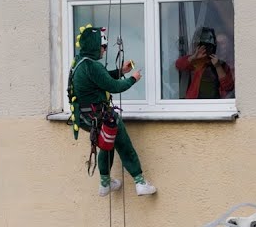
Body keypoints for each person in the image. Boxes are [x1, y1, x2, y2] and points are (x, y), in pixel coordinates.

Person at [68, 24, 157, 197]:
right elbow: (114, 86)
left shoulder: (80, 63)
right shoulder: (93, 66)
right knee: (124, 145)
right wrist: (132, 79)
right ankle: (140, 183)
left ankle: (105, 183)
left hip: (86, 117)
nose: (104, 50)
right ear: (94, 45)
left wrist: (121, 71)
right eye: (103, 46)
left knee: (105, 145)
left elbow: (100, 79)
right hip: (101, 116)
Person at [174, 27, 235, 99]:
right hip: (196, 104)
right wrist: (193, 57)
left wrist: (218, 66)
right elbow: (179, 65)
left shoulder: (228, 64)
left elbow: (228, 87)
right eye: (218, 43)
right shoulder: (201, 59)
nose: (220, 46)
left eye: (223, 43)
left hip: (217, 105)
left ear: (229, 45)